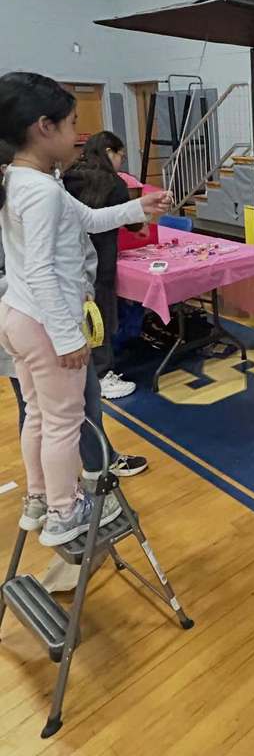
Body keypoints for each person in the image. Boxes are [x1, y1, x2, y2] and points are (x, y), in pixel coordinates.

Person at [0, 72, 171, 547]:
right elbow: (40, 271)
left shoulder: (26, 181)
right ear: (42, 127)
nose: (79, 134)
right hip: (40, 321)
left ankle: (40, 497)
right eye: (72, 123)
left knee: (39, 415)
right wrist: (67, 336)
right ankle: (63, 511)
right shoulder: (39, 191)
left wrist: (141, 207)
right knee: (62, 421)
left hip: (18, 317)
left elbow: (93, 219)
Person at [63, 131, 144, 399]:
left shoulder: (69, 176)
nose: (121, 161)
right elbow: (130, 223)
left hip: (72, 261)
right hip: (101, 260)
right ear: (110, 152)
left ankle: (88, 373)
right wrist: (140, 220)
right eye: (121, 155)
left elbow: (89, 218)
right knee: (101, 316)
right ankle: (102, 374)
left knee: (82, 317)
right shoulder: (114, 183)